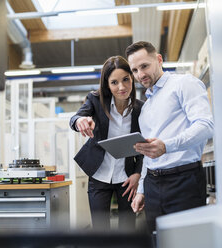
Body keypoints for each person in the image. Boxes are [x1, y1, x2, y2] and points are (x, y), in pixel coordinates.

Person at [125, 41, 214, 233]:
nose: (140, 74)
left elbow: (206, 125)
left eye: (144, 66)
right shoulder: (145, 109)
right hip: (153, 185)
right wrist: (141, 190)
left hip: (184, 181)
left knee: (188, 241)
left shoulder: (184, 84)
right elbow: (148, 155)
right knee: (158, 241)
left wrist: (167, 146)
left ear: (158, 60)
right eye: (135, 70)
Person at [69, 56, 144, 231]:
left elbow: (144, 146)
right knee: (100, 231)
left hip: (127, 177)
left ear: (132, 78)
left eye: (126, 79)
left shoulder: (140, 109)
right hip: (99, 175)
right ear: (107, 85)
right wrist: (80, 121)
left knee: (128, 230)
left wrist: (138, 174)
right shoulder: (95, 100)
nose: (122, 87)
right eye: (114, 82)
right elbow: (75, 118)